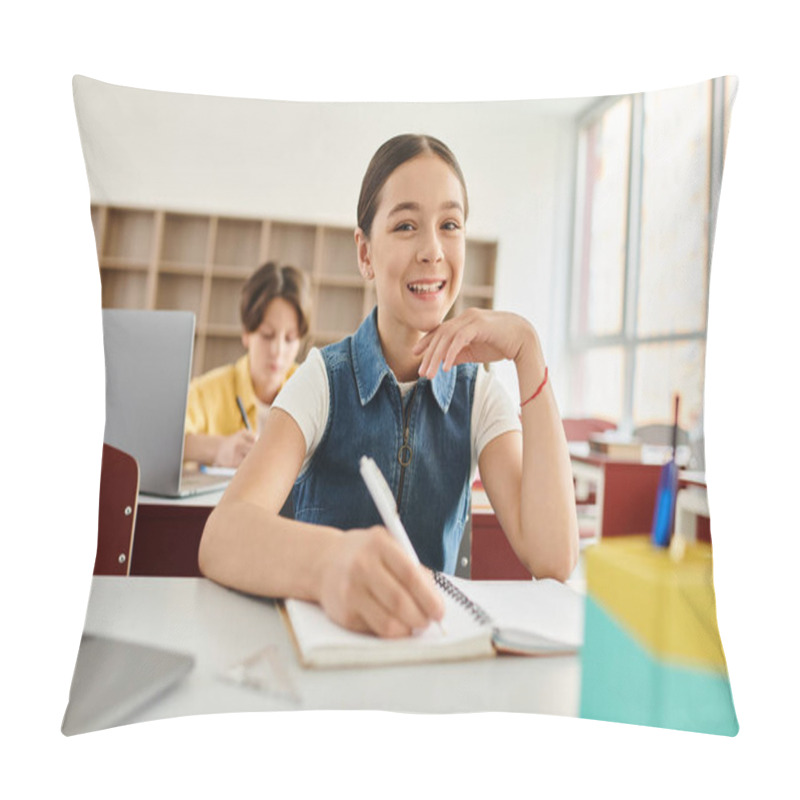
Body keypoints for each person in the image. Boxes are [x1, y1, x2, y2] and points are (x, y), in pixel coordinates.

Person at [198, 134, 579, 638]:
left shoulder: (480, 395)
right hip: (327, 658)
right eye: (405, 226)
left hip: (430, 661)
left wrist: (528, 352)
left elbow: (553, 558)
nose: (432, 250)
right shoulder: (322, 380)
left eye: (450, 225)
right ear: (365, 253)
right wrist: (330, 562)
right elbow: (222, 537)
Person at [184, 262, 310, 467]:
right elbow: (165, 440)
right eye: (267, 335)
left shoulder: (311, 391)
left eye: (290, 338)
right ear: (246, 333)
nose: (278, 351)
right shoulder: (208, 391)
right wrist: (218, 449)